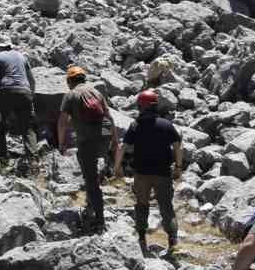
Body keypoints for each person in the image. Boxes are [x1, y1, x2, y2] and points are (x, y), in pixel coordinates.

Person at [114, 89, 183, 259]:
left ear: (141, 106)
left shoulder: (135, 125)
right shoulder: (166, 125)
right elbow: (178, 146)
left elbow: (122, 147)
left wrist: (117, 167)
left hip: (141, 173)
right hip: (163, 173)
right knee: (166, 206)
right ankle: (173, 242)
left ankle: (142, 239)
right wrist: (179, 167)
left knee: (142, 204)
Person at [57, 65, 120, 233]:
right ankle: (92, 201)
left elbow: (62, 121)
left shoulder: (70, 95)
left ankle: (99, 221)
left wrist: (61, 142)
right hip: (104, 135)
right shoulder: (96, 92)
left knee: (91, 181)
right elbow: (109, 117)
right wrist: (114, 141)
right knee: (93, 168)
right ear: (84, 79)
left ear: (69, 81)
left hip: (87, 139)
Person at [0, 42, 37, 165]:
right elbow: (32, 80)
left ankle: (4, 160)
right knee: (28, 128)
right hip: (25, 92)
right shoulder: (22, 57)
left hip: (7, 92)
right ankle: (33, 161)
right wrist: (30, 96)